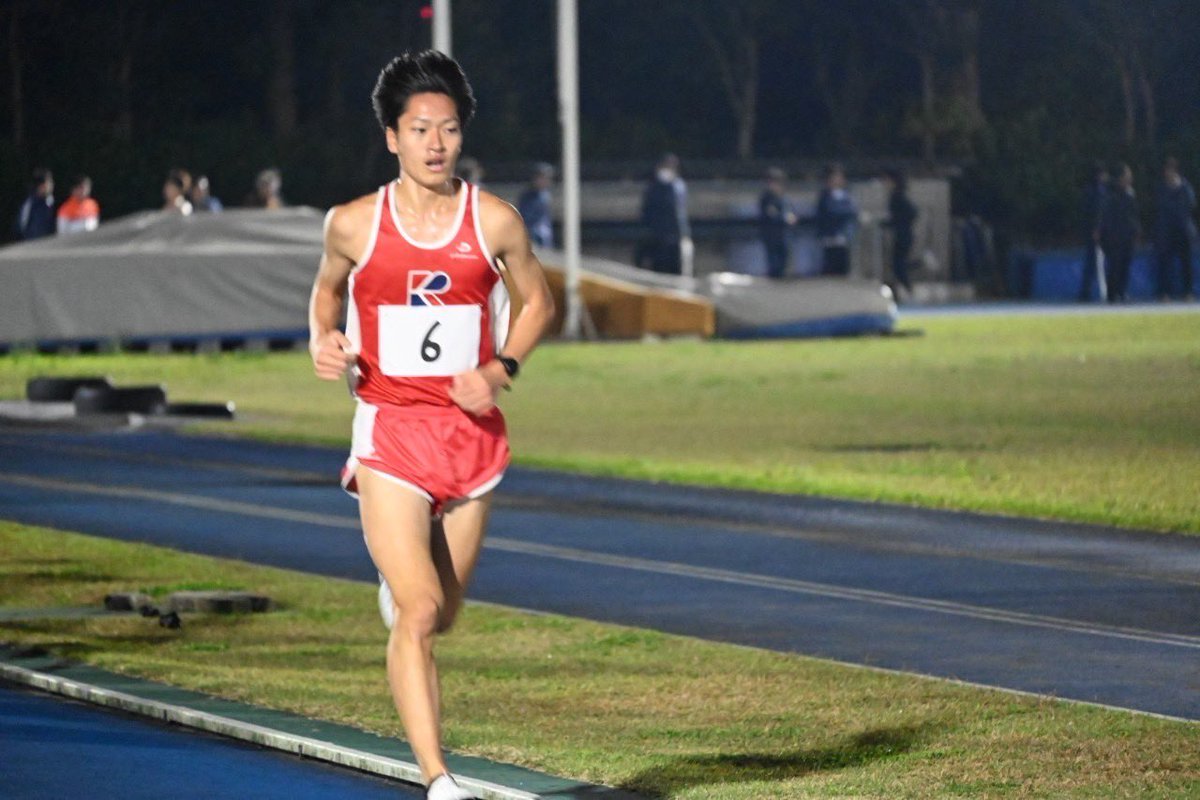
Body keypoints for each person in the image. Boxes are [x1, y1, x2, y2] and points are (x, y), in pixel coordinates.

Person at [307, 50, 554, 800]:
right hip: (390, 430)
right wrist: (326, 340)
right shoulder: (353, 223)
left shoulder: (494, 220)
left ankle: (407, 597)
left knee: (442, 612)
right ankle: (439, 780)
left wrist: (502, 367)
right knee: (417, 612)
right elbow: (325, 294)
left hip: (469, 436)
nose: (436, 144)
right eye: (420, 130)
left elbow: (539, 302)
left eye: (447, 129)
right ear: (393, 137)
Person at [636, 152, 690, 275]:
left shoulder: (678, 187)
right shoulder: (653, 188)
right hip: (656, 240)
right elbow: (647, 214)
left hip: (673, 240)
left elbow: (681, 214)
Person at [1154, 157, 1196, 300]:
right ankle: (1164, 293)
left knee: (1186, 263)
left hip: (1183, 231)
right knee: (1165, 264)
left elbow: (1190, 206)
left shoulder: (1185, 187)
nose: (1167, 173)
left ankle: (1188, 292)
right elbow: (1159, 208)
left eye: (1169, 170)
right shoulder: (1161, 188)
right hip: (1167, 232)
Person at [1098, 162, 1139, 304]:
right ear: (1121, 178)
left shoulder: (1130, 193)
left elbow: (1133, 215)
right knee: (1114, 265)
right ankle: (1112, 294)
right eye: (1127, 176)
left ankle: (1122, 292)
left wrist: (1135, 230)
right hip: (1114, 236)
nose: (1129, 179)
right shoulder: (1111, 193)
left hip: (1127, 235)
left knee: (1125, 265)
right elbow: (1105, 215)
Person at [815, 163, 858, 276]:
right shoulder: (825, 196)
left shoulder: (847, 195)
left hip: (843, 236)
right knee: (830, 267)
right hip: (830, 236)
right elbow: (830, 212)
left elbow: (852, 211)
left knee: (843, 266)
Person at [881, 168, 918, 296]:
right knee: (899, 263)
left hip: (903, 235)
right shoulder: (897, 195)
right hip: (903, 233)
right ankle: (920, 264)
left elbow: (910, 212)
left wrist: (888, 223)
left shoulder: (897, 196)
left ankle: (909, 290)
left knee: (898, 265)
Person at [1077, 162, 1109, 302]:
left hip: (1090, 231)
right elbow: (1098, 212)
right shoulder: (1099, 191)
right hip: (1097, 232)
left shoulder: (1088, 190)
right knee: (1097, 263)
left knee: (1091, 263)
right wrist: (1097, 229)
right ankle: (1103, 293)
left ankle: (1086, 292)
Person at [758, 167, 797, 279]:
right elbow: (771, 215)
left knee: (784, 260)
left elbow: (791, 210)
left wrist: (792, 217)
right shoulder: (767, 198)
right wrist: (785, 218)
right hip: (772, 235)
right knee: (774, 263)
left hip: (785, 234)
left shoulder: (784, 198)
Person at [516, 162, 554, 248]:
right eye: (540, 177)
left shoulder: (545, 195)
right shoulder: (527, 196)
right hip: (530, 233)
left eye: (546, 178)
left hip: (543, 235)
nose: (544, 181)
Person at [14, 167, 55, 240]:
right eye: (49, 182)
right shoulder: (29, 204)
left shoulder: (50, 202)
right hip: (32, 247)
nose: (52, 185)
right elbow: (21, 226)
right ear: (41, 186)